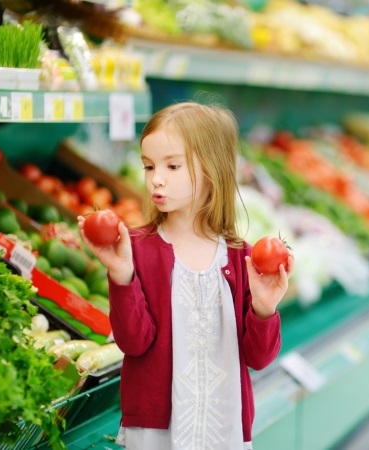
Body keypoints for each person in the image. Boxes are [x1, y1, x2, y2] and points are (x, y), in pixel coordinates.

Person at [78, 101, 294, 450]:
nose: (156, 179)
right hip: (156, 433)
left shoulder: (242, 258)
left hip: (223, 429)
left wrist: (265, 309)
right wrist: (121, 274)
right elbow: (133, 342)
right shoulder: (136, 248)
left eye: (172, 165)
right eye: (148, 166)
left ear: (211, 169)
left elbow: (259, 358)